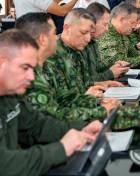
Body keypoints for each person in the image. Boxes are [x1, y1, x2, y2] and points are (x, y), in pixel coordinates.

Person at [0, 29, 103, 175]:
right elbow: (4, 165)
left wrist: (81, 129)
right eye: (25, 68)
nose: (31, 77)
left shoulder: (10, 93)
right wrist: (61, 148)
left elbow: (34, 126)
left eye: (32, 68)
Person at [15, 12, 120, 121]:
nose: (56, 37)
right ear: (42, 39)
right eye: (54, 33)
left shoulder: (44, 65)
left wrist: (98, 102)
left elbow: (65, 98)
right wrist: (102, 110)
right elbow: (53, 116)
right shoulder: (29, 75)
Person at [97, 2, 140, 68]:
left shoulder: (122, 33)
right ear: (122, 19)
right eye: (132, 23)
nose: (134, 26)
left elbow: (132, 53)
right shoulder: (106, 33)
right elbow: (115, 63)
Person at [85, 2, 130, 81]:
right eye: (104, 24)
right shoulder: (79, 45)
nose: (107, 29)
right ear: (92, 22)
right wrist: (110, 73)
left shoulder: (93, 43)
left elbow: (98, 68)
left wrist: (115, 66)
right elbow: (84, 81)